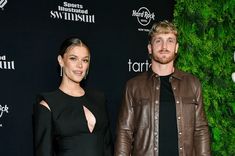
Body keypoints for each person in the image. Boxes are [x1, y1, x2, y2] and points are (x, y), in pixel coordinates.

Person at [114, 20, 211, 156]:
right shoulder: (133, 86)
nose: (164, 46)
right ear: (150, 48)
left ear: (176, 47)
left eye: (170, 40)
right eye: (158, 40)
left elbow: (200, 130)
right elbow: (125, 131)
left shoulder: (193, 83)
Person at [33, 37, 113, 156]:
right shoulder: (48, 105)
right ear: (61, 60)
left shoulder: (99, 99)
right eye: (73, 58)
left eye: (85, 60)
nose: (80, 65)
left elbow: (107, 146)